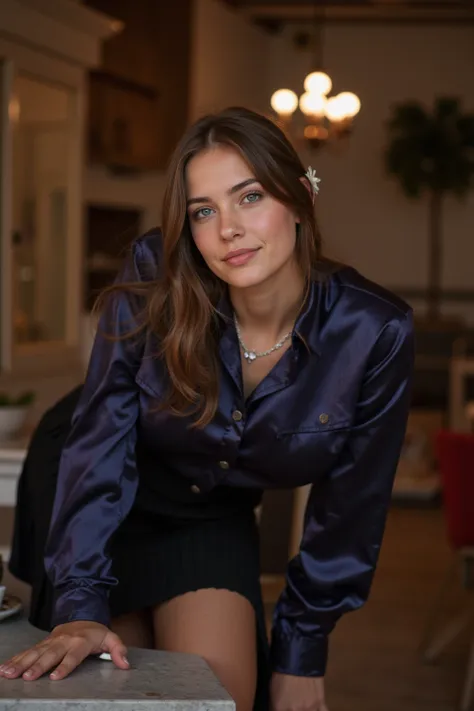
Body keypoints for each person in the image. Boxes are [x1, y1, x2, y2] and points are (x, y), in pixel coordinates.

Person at [0, 106, 414, 711]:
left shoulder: (374, 331)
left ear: (300, 197)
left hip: (209, 511)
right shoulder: (155, 272)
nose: (228, 230)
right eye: (204, 211)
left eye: (249, 197)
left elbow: (350, 508)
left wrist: (302, 653)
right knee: (111, 686)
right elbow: (103, 441)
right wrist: (81, 606)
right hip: (95, 480)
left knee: (221, 695)